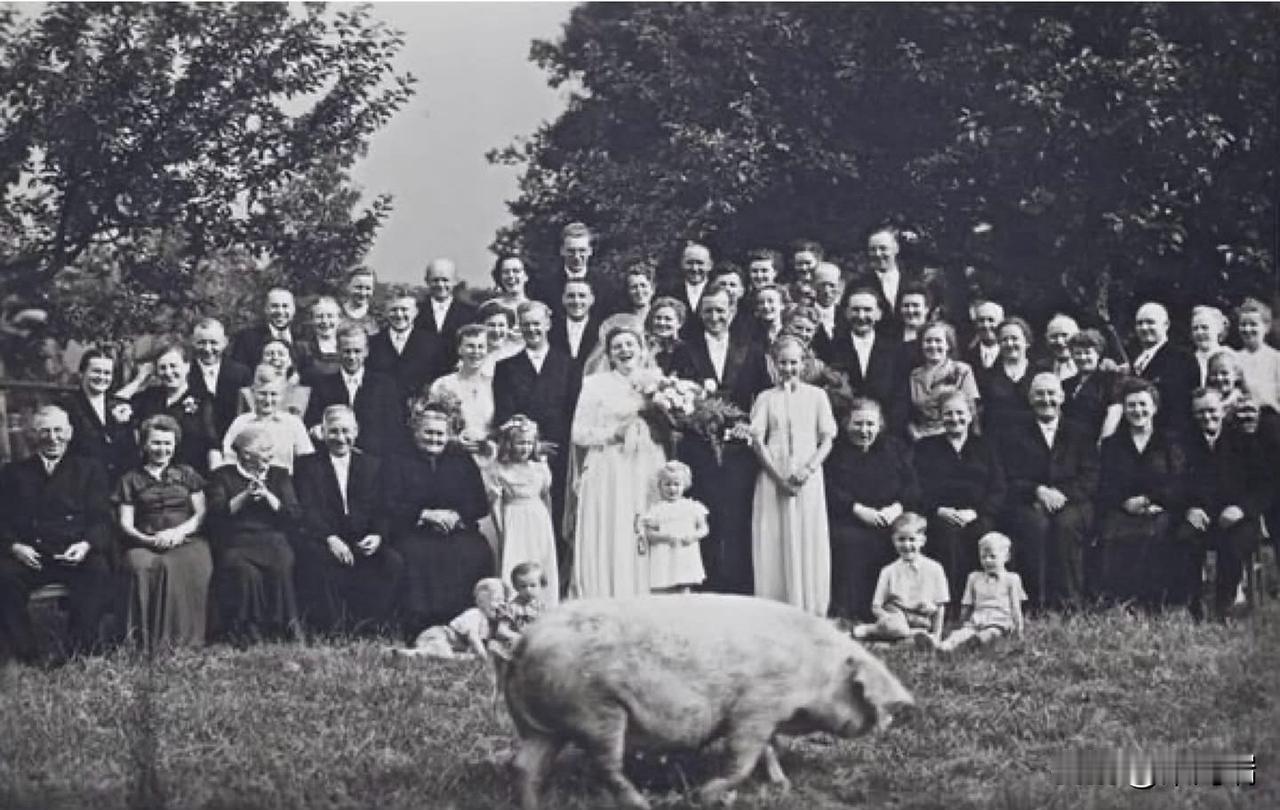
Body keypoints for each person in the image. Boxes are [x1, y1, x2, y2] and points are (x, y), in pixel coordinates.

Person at [669, 290, 769, 594]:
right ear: (700, 314)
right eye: (709, 311)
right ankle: (705, 582)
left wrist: (750, 427)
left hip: (739, 449)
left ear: (732, 312)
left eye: (720, 311)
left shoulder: (751, 350)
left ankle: (739, 585)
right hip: (698, 446)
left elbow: (763, 397)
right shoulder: (685, 351)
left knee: (737, 515)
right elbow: (674, 395)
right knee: (703, 511)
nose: (715, 317)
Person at [0, 406, 114, 664]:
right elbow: (2, 519)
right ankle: (26, 654)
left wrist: (86, 545)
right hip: (32, 555)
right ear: (33, 435)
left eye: (58, 430)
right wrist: (15, 546)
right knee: (4, 577)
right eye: (45, 431)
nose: (53, 438)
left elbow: (101, 518)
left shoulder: (89, 469)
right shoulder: (13, 473)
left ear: (69, 433)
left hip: (74, 552)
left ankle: (82, 648)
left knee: (98, 569)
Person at [570, 322, 667, 598]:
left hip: (647, 463)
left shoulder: (657, 381)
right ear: (609, 355)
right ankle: (608, 591)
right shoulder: (595, 385)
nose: (624, 350)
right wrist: (613, 433)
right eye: (617, 347)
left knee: (644, 521)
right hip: (609, 465)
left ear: (641, 348)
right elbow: (578, 432)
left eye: (629, 344)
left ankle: (647, 591)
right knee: (614, 525)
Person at [292, 405, 405, 635]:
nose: (340, 438)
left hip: (363, 537)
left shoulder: (374, 465)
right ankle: (333, 630)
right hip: (325, 537)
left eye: (346, 431)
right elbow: (308, 509)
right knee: (317, 562)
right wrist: (330, 538)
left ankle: (372, 626)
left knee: (392, 562)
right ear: (323, 433)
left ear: (356, 431)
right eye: (333, 431)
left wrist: (377, 535)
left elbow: (384, 507)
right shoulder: (307, 465)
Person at [382, 406, 494, 636]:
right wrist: (424, 514)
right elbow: (388, 502)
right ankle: (420, 624)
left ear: (449, 435)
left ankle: (465, 622)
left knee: (475, 550)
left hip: (457, 530)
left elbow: (479, 503)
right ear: (416, 432)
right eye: (428, 433)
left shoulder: (461, 460)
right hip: (414, 529)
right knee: (418, 554)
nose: (434, 439)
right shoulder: (397, 460)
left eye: (440, 434)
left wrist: (457, 515)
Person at [750, 335, 838, 616]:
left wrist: (807, 470)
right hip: (773, 476)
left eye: (793, 362)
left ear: (804, 363)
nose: (788, 369)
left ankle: (810, 606)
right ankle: (776, 606)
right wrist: (778, 478)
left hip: (807, 476)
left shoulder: (817, 396)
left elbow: (827, 439)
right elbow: (757, 440)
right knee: (775, 537)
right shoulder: (765, 398)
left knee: (808, 535)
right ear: (774, 365)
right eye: (782, 363)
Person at [997, 372, 1099, 610]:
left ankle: (1069, 600)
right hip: (1029, 500)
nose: (1046, 400)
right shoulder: (1013, 433)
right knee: (1035, 526)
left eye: (1051, 393)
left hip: (1073, 501)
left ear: (1062, 397)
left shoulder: (1081, 432)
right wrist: (1037, 491)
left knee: (1066, 525)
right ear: (1030, 398)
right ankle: (1036, 601)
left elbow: (1091, 476)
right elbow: (1008, 476)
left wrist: (1062, 494)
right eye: (1040, 394)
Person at [114, 415, 211, 651]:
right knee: (137, 565)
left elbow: (201, 513)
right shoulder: (130, 479)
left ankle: (181, 640)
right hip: (145, 541)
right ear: (144, 444)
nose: (162, 449)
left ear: (175, 444)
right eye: (156, 443)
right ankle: (141, 641)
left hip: (187, 539)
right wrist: (149, 540)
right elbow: (125, 523)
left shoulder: (187, 474)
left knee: (175, 564)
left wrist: (178, 533)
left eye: (168, 443)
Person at [494, 301, 580, 561]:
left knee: (558, 515)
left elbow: (574, 411)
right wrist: (530, 445)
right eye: (526, 324)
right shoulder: (506, 366)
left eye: (536, 324)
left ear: (548, 324)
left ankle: (555, 575)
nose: (532, 329)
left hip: (560, 452)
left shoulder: (569, 364)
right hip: (521, 456)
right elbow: (503, 413)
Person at [1176, 388, 1269, 620]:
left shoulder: (1244, 440)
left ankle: (1224, 604)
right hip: (1201, 516)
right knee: (1184, 538)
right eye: (1200, 412)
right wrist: (1189, 509)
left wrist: (1242, 509)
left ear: (1223, 410)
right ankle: (1193, 603)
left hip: (1238, 518)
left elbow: (1265, 486)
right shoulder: (1184, 443)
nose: (1207, 417)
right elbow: (1175, 484)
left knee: (1233, 545)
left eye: (1211, 411)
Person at [825, 397, 920, 621]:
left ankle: (900, 608)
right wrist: (857, 509)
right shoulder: (835, 452)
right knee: (851, 541)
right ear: (846, 424)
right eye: (858, 424)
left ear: (880, 425)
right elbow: (830, 489)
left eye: (870, 424)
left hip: (891, 517)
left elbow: (912, 485)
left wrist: (896, 508)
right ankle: (853, 611)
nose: (864, 430)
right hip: (851, 517)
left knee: (904, 538)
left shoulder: (895, 448)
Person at [205, 425, 302, 645]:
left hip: (272, 538)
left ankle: (284, 626)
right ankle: (248, 629)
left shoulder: (279, 474)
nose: (271, 454)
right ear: (246, 454)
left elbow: (294, 514)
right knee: (244, 572)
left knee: (282, 564)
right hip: (237, 540)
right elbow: (216, 515)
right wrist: (245, 495)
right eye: (265, 450)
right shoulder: (222, 476)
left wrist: (268, 496)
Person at [1096, 378, 1185, 608]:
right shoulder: (1112, 444)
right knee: (1113, 533)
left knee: (1155, 533)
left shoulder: (1169, 442)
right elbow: (1105, 484)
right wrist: (1125, 503)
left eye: (1143, 404)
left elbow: (1178, 482)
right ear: (1124, 410)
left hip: (1161, 508)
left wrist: (1149, 500)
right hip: (1122, 508)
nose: (1138, 410)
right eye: (1131, 405)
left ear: (1154, 408)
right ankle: (1121, 600)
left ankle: (1154, 601)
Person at [913, 390, 1006, 608]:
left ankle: (983, 602)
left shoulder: (986, 447)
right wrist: (938, 510)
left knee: (983, 536)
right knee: (946, 538)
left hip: (978, 514)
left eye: (960, 413)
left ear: (971, 415)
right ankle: (950, 604)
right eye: (948, 413)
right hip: (940, 514)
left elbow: (998, 487)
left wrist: (976, 512)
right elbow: (916, 487)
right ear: (940, 416)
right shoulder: (925, 447)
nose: (955, 419)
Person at [304, 324, 407, 458]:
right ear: (337, 350)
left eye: (357, 351)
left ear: (366, 351)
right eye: (346, 351)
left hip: (376, 460)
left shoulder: (384, 385)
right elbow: (311, 423)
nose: (352, 357)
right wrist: (316, 430)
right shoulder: (322, 386)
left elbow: (394, 430)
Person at [489, 416, 560, 605]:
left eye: (529, 443)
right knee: (515, 558)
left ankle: (545, 604)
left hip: (538, 518)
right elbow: (495, 503)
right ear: (509, 444)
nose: (525, 448)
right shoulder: (500, 469)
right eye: (520, 443)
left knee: (540, 559)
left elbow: (546, 496)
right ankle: (513, 608)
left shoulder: (540, 467)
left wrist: (548, 524)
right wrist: (501, 531)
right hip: (514, 518)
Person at [851, 512, 948, 644]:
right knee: (898, 628)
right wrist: (887, 618)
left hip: (921, 619)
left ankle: (906, 638)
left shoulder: (935, 568)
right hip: (896, 615)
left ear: (922, 541)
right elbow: (876, 606)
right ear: (893, 540)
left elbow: (940, 605)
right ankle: (871, 630)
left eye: (912, 539)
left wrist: (937, 634)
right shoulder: (888, 571)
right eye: (901, 539)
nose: (907, 545)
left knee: (919, 631)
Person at [923, 532, 1026, 653]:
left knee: (990, 634)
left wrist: (1019, 629)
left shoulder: (1012, 579)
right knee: (961, 633)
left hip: (1000, 621)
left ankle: (973, 644)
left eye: (992, 557)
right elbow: (967, 604)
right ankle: (943, 646)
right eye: (983, 557)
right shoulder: (974, 578)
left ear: (1006, 557)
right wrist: (963, 622)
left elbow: (1015, 607)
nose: (987, 561)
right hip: (978, 619)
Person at [828, 287, 911, 436]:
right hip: (843, 433)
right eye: (855, 310)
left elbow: (901, 396)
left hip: (886, 433)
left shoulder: (895, 350)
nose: (861, 316)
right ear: (846, 312)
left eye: (867, 310)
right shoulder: (833, 348)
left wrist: (885, 430)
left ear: (879, 314)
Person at [131, 343, 219, 474]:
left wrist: (216, 479)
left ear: (187, 366)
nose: (168, 372)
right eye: (162, 367)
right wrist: (139, 379)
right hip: (151, 475)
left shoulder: (204, 399)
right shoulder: (149, 396)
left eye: (173, 366)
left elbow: (213, 446)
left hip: (191, 476)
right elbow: (116, 404)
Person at [63, 347, 137, 481]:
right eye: (96, 371)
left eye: (107, 373)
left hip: (117, 483)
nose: (102, 377)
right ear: (82, 373)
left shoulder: (120, 406)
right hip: (82, 482)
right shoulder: (67, 406)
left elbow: (130, 453)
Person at [222, 367, 314, 473]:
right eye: (263, 394)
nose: (268, 400)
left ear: (282, 396)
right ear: (253, 394)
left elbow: (307, 461)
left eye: (273, 394)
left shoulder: (293, 423)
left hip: (284, 480)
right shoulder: (241, 422)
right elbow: (229, 458)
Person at [392, 577, 507, 659]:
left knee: (454, 656)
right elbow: (473, 637)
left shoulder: (491, 624)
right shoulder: (475, 614)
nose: (501, 605)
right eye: (496, 600)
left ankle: (447, 655)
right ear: (481, 601)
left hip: (449, 644)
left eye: (503, 600)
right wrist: (483, 656)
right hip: (439, 635)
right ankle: (404, 654)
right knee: (442, 653)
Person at [640, 460, 709, 594]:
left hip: (685, 552)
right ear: (660, 486)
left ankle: (685, 599)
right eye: (667, 484)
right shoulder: (657, 509)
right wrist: (664, 537)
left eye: (676, 484)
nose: (672, 489)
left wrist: (693, 536)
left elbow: (704, 528)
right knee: (664, 586)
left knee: (685, 583)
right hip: (665, 553)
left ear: (685, 485)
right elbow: (649, 534)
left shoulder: (692, 507)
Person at [367, 288, 447, 402]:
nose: (399, 315)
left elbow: (440, 382)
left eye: (404, 309)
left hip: (421, 409)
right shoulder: (372, 344)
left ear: (415, 312)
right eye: (393, 310)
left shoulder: (434, 344)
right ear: (385, 312)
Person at [1131, 301, 1198, 436]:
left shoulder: (1182, 358)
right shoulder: (1133, 358)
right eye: (1139, 323)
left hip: (1169, 435)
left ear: (1166, 325)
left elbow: (1181, 405)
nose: (1144, 327)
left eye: (1150, 322)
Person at [908, 321, 980, 440]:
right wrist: (915, 435)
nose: (933, 345)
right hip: (920, 437)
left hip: (952, 436)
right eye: (928, 341)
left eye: (938, 341)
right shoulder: (914, 375)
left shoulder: (961, 371)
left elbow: (971, 412)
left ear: (948, 345)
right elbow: (909, 414)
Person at [428, 324, 496, 450]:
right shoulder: (443, 385)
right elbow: (432, 424)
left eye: (481, 346)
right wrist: (455, 441)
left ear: (487, 350)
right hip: (453, 452)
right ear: (460, 349)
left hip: (488, 453)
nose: (476, 352)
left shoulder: (495, 385)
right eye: (470, 346)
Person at [187, 318, 252, 437]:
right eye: (201, 342)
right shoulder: (185, 373)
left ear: (225, 342)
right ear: (192, 341)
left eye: (213, 343)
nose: (207, 349)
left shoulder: (240, 373)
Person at [978, 317, 1037, 436]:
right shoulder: (987, 376)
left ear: (1027, 342)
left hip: (1033, 438)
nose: (1010, 344)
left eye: (1015, 338)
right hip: (997, 439)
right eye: (1004, 339)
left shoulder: (1039, 373)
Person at [416, 258, 477, 372]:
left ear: (455, 281)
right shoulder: (415, 312)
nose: (440, 285)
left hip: (458, 376)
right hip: (421, 377)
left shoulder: (470, 313)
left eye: (445, 280)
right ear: (427, 281)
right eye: (435, 280)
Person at [1062, 329, 1123, 443]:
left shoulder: (1110, 381)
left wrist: (1103, 444)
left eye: (1087, 353)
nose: (1082, 357)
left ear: (1098, 354)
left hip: (1096, 443)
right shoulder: (1066, 384)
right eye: (1078, 353)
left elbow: (1114, 415)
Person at [488, 561, 547, 662]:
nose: (528, 590)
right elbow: (501, 631)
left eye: (533, 585)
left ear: (541, 586)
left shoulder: (541, 607)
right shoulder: (511, 607)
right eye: (523, 586)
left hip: (536, 643)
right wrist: (520, 637)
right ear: (516, 587)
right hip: (517, 642)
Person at [229, 287, 301, 368]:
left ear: (293, 310)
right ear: (265, 309)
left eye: (285, 306)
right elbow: (238, 371)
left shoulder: (302, 339)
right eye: (274, 306)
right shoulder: (247, 339)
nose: (280, 311)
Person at [236, 339, 310, 418]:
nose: (275, 357)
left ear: (290, 360)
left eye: (281, 354)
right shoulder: (246, 394)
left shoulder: (302, 393)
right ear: (261, 360)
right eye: (269, 354)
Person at [1233, 298, 1280, 414]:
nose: (1247, 329)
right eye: (1243, 325)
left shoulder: (1276, 359)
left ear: (1266, 327)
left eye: (1253, 324)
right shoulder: (1233, 358)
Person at [549, 276, 603, 372]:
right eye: (571, 296)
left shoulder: (602, 330)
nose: (576, 301)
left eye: (582, 296)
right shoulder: (551, 329)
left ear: (592, 300)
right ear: (563, 299)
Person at [661, 241, 712, 338]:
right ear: (681, 263)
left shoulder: (716, 291)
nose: (694, 268)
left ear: (710, 265)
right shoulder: (669, 292)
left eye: (700, 263)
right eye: (690, 263)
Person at [296, 296, 343, 385]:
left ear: (339, 319)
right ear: (312, 320)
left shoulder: (347, 346)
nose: (324, 321)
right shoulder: (302, 348)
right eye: (319, 316)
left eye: (330, 316)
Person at [809, 261, 844, 365]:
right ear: (813, 286)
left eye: (832, 285)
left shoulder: (846, 315)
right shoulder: (804, 314)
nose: (827, 291)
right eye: (822, 285)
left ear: (839, 287)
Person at [644, 296, 687, 375]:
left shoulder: (686, 351)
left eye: (668, 319)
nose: (662, 323)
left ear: (679, 323)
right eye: (658, 318)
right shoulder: (645, 348)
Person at [1190, 305, 1231, 387]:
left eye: (1205, 327)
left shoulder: (1230, 357)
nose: (1199, 332)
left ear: (1218, 329)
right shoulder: (1188, 360)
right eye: (1195, 328)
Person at [478, 300, 524, 369]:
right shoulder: (474, 354)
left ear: (509, 327)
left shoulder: (518, 353)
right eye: (491, 325)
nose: (496, 330)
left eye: (501, 325)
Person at [964, 300, 1005, 372]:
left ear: (1001, 323)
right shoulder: (967, 356)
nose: (986, 325)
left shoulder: (1008, 352)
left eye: (991, 320)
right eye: (981, 320)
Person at [339, 267, 380, 336]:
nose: (363, 293)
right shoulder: (336, 313)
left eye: (368, 288)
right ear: (347, 286)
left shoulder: (378, 317)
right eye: (358, 287)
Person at [1043, 314, 1080, 380]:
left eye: (1064, 335)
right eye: (1054, 336)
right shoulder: (1039, 368)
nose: (1059, 342)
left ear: (1077, 336)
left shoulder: (1088, 366)